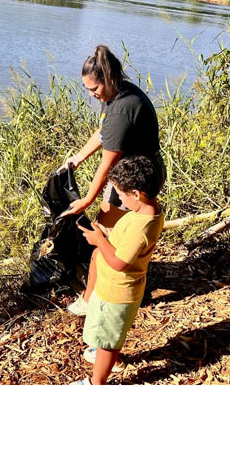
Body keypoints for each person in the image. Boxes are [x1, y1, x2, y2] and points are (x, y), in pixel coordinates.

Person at [60, 44, 165, 316]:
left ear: (109, 80)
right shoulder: (118, 96)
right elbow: (103, 132)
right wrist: (77, 158)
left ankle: (89, 299)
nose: (92, 95)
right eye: (87, 90)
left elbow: (107, 166)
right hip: (139, 173)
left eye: (94, 89)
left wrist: (88, 199)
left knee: (103, 240)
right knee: (122, 238)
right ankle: (127, 282)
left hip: (133, 184)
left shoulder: (121, 110)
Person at [72, 156, 164, 385]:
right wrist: (105, 235)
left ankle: (96, 383)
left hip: (116, 292)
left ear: (136, 194)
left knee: (108, 342)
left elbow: (119, 263)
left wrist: (98, 241)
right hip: (115, 289)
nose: (119, 199)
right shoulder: (147, 212)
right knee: (109, 335)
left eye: (121, 195)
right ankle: (105, 354)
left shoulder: (141, 226)